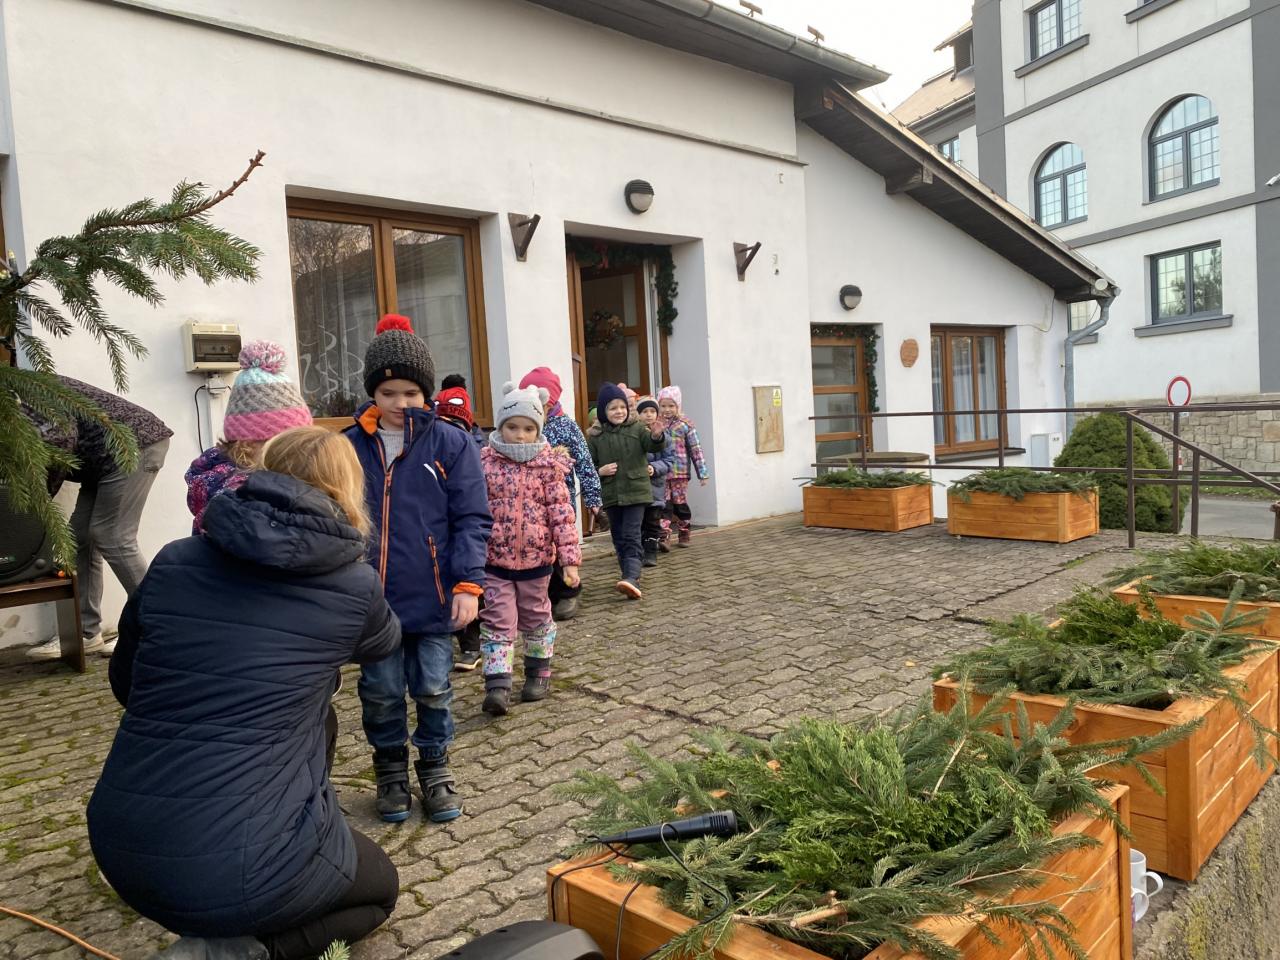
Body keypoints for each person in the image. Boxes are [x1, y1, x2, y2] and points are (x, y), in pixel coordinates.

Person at [86, 426, 402, 960]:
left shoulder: (174, 559)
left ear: (257, 473)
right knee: (379, 891)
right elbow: (384, 642)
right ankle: (235, 952)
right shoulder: (353, 586)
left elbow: (126, 684)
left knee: (315, 712)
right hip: (247, 870)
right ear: (348, 488)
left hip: (120, 846)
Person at [345, 314, 491, 824]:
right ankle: (390, 771)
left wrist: (468, 584)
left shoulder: (452, 443)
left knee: (433, 687)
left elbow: (472, 518)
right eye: (388, 393)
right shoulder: (348, 445)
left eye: (411, 393)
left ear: (426, 393)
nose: (400, 403)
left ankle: (434, 767)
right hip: (372, 603)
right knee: (381, 692)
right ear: (372, 392)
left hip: (434, 597)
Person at [27, 377, 172, 660]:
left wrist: (39, 495)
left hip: (132, 445)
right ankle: (86, 633)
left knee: (113, 536)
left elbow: (60, 437)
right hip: (101, 458)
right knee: (79, 540)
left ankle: (160, 628)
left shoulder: (17, 392)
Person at [477, 383, 581, 716]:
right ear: (500, 426)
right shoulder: (486, 464)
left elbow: (562, 515)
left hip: (537, 563)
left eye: (528, 428)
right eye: (512, 427)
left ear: (538, 429)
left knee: (536, 618)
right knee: (497, 620)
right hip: (495, 562)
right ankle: (497, 685)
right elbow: (473, 510)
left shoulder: (548, 467)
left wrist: (569, 561)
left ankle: (538, 673)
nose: (520, 436)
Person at [185, 340, 312, 533]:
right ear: (250, 443)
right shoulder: (244, 496)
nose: (301, 451)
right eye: (291, 442)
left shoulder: (218, 482)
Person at [517, 367, 601, 621]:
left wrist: (593, 497)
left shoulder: (567, 426)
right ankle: (544, 594)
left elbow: (585, 463)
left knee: (561, 548)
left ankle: (568, 591)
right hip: (530, 504)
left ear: (549, 402)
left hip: (559, 502)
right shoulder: (522, 425)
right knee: (540, 549)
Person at [587, 382, 666, 599]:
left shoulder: (637, 428)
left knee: (631, 535)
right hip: (612, 494)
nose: (619, 411)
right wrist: (600, 471)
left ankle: (632, 576)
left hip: (636, 491)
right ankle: (629, 577)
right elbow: (589, 467)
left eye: (622, 407)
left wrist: (657, 436)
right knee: (619, 537)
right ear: (603, 411)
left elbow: (652, 445)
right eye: (613, 408)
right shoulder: (595, 436)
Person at [433, 374, 487, 671]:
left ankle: (473, 643)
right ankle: (463, 641)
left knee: (469, 585)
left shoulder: (477, 446)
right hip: (442, 530)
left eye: (456, 422)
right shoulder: (433, 444)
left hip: (471, 531)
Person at [657, 385, 710, 548]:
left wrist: (702, 473)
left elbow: (696, 449)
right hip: (661, 472)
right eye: (663, 405)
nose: (667, 410)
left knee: (680, 503)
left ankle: (684, 529)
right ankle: (664, 535)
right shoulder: (656, 424)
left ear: (678, 406)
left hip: (680, 473)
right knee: (664, 504)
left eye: (671, 406)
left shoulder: (685, 425)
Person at [636, 396, 674, 568]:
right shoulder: (634, 435)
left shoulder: (665, 436)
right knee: (637, 523)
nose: (649, 414)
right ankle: (637, 552)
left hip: (655, 488)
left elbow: (669, 460)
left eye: (652, 411)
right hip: (636, 489)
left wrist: (654, 468)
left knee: (652, 522)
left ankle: (650, 552)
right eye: (644, 411)